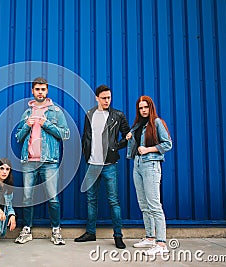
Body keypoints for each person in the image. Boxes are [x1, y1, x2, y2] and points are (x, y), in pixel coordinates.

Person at [14, 77, 70, 245]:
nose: (40, 92)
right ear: (33, 91)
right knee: (27, 198)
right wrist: (26, 125)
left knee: (52, 197)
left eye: (43, 89)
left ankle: (56, 230)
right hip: (29, 161)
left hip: (49, 161)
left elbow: (65, 134)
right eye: (37, 89)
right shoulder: (26, 113)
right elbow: (18, 137)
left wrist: (47, 125)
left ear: (47, 91)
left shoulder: (56, 112)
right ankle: (27, 230)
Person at [74, 85, 130, 249]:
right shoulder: (90, 114)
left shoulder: (118, 115)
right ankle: (91, 233)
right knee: (91, 200)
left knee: (114, 201)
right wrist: (86, 154)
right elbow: (86, 136)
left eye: (109, 97)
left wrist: (115, 147)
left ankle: (118, 236)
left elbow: (128, 135)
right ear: (97, 98)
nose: (107, 100)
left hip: (109, 165)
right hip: (92, 165)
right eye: (104, 98)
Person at [126, 95, 172, 256]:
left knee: (154, 204)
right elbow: (136, 143)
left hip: (151, 164)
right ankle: (150, 237)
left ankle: (161, 243)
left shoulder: (157, 123)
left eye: (146, 107)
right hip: (137, 164)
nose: (143, 110)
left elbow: (168, 144)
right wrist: (130, 138)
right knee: (143, 203)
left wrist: (148, 149)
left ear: (151, 107)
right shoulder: (138, 125)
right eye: (140, 108)